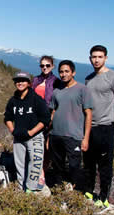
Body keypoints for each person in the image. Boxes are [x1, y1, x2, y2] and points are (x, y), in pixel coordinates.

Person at [84, 45, 114, 209]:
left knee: (104, 165)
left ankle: (104, 198)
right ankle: (89, 192)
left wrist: (109, 118)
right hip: (89, 127)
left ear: (106, 58)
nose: (96, 60)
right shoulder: (88, 78)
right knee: (88, 162)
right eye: (93, 57)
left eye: (100, 57)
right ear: (90, 59)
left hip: (105, 127)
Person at [49, 60, 93, 190]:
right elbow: (53, 111)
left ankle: (77, 192)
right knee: (57, 166)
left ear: (73, 72)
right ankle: (59, 191)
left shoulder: (82, 90)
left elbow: (88, 114)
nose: (63, 74)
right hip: (56, 134)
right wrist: (48, 133)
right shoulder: (57, 91)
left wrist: (86, 138)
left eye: (67, 71)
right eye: (61, 72)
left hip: (74, 136)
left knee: (75, 166)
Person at [4, 71, 50, 193]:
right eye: (17, 80)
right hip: (18, 137)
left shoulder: (36, 99)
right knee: (19, 165)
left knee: (35, 164)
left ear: (29, 83)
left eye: (23, 80)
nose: (20, 83)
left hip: (34, 137)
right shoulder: (13, 100)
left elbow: (45, 119)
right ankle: (20, 189)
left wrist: (31, 132)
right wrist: (12, 130)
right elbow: (7, 117)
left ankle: (31, 190)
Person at [32, 55, 61, 188]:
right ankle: (33, 172)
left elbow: (58, 101)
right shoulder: (35, 80)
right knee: (34, 146)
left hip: (49, 117)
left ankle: (42, 175)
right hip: (34, 116)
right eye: (42, 65)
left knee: (46, 147)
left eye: (47, 65)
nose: (44, 68)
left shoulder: (56, 82)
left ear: (52, 66)